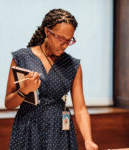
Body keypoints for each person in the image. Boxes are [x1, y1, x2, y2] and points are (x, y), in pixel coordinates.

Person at [5, 8, 98, 150]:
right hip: (28, 129)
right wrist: (24, 90)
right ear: (47, 32)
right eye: (61, 39)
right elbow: (8, 103)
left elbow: (80, 109)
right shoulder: (22, 58)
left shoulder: (73, 65)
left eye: (69, 40)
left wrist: (88, 139)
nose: (65, 45)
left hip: (58, 131)